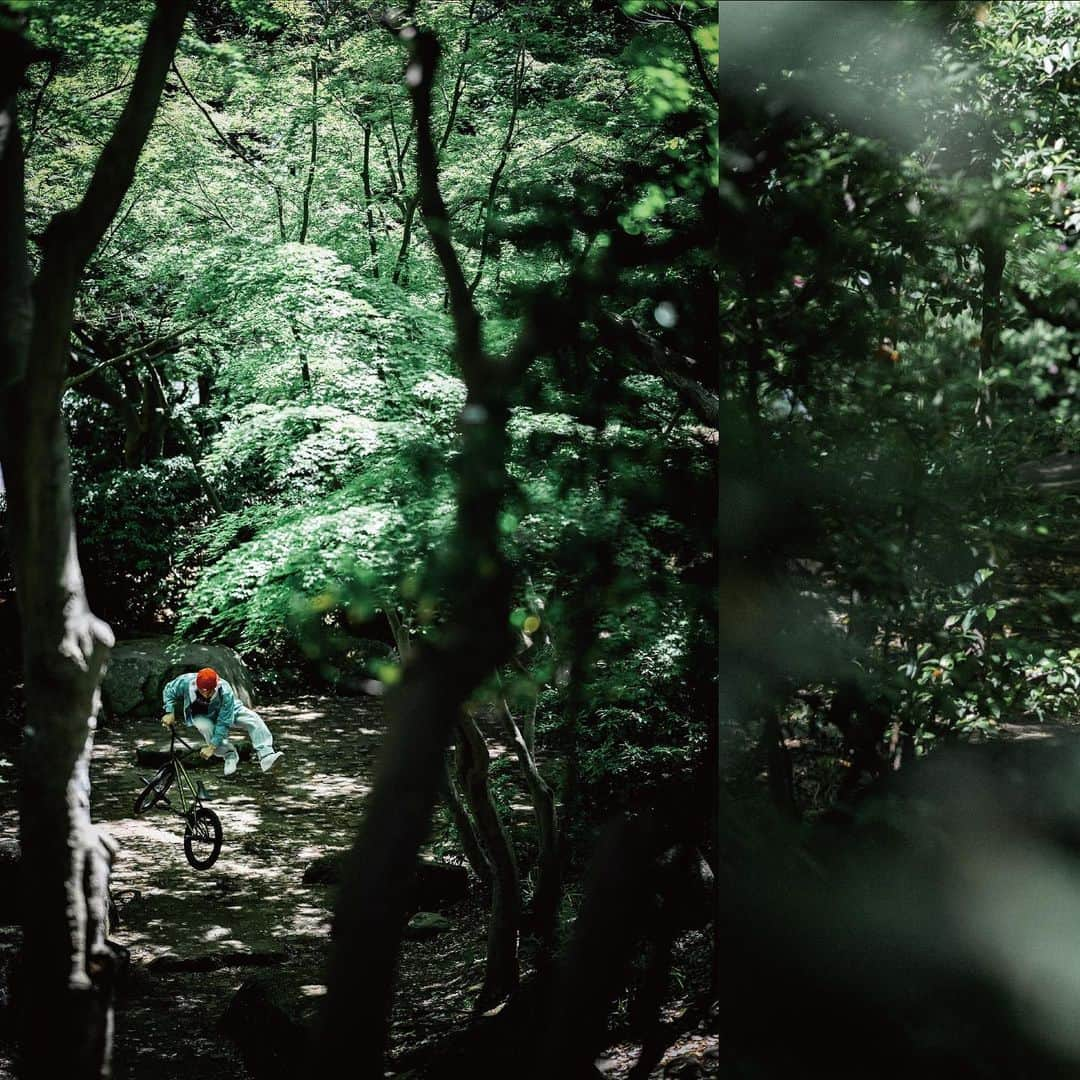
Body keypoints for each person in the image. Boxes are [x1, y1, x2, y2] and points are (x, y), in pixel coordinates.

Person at [161, 667, 283, 777]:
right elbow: (169, 690)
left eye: (209, 691)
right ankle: (229, 754)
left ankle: (266, 755)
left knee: (253, 719)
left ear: (215, 685)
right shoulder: (186, 681)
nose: (205, 694)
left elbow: (223, 723)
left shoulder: (225, 690)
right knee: (203, 725)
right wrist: (169, 712)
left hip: (229, 710)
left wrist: (211, 747)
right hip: (202, 713)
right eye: (202, 690)